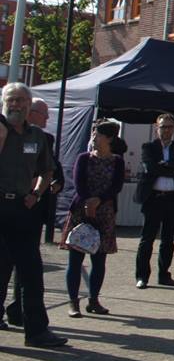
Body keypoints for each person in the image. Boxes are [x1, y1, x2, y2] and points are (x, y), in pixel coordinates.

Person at [0, 82, 67, 347]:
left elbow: (48, 170)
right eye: (11, 99)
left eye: (21, 100)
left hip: (21, 208)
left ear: (29, 105)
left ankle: (37, 331)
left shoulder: (36, 136)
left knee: (31, 270)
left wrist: (36, 193)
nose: (16, 104)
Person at [60, 119, 124, 317]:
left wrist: (99, 200)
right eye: (93, 134)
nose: (94, 138)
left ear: (110, 138)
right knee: (76, 259)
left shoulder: (117, 161)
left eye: (98, 135)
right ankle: (73, 302)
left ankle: (94, 300)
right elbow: (78, 183)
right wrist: (89, 202)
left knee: (99, 260)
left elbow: (116, 186)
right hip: (81, 211)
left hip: (104, 212)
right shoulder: (84, 158)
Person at [135, 113, 174, 288]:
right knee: (147, 239)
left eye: (170, 127)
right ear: (156, 128)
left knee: (168, 240)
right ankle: (142, 276)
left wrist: (165, 166)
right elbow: (150, 168)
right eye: (163, 127)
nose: (166, 131)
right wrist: (171, 168)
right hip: (153, 198)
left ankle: (164, 274)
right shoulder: (149, 147)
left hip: (172, 199)